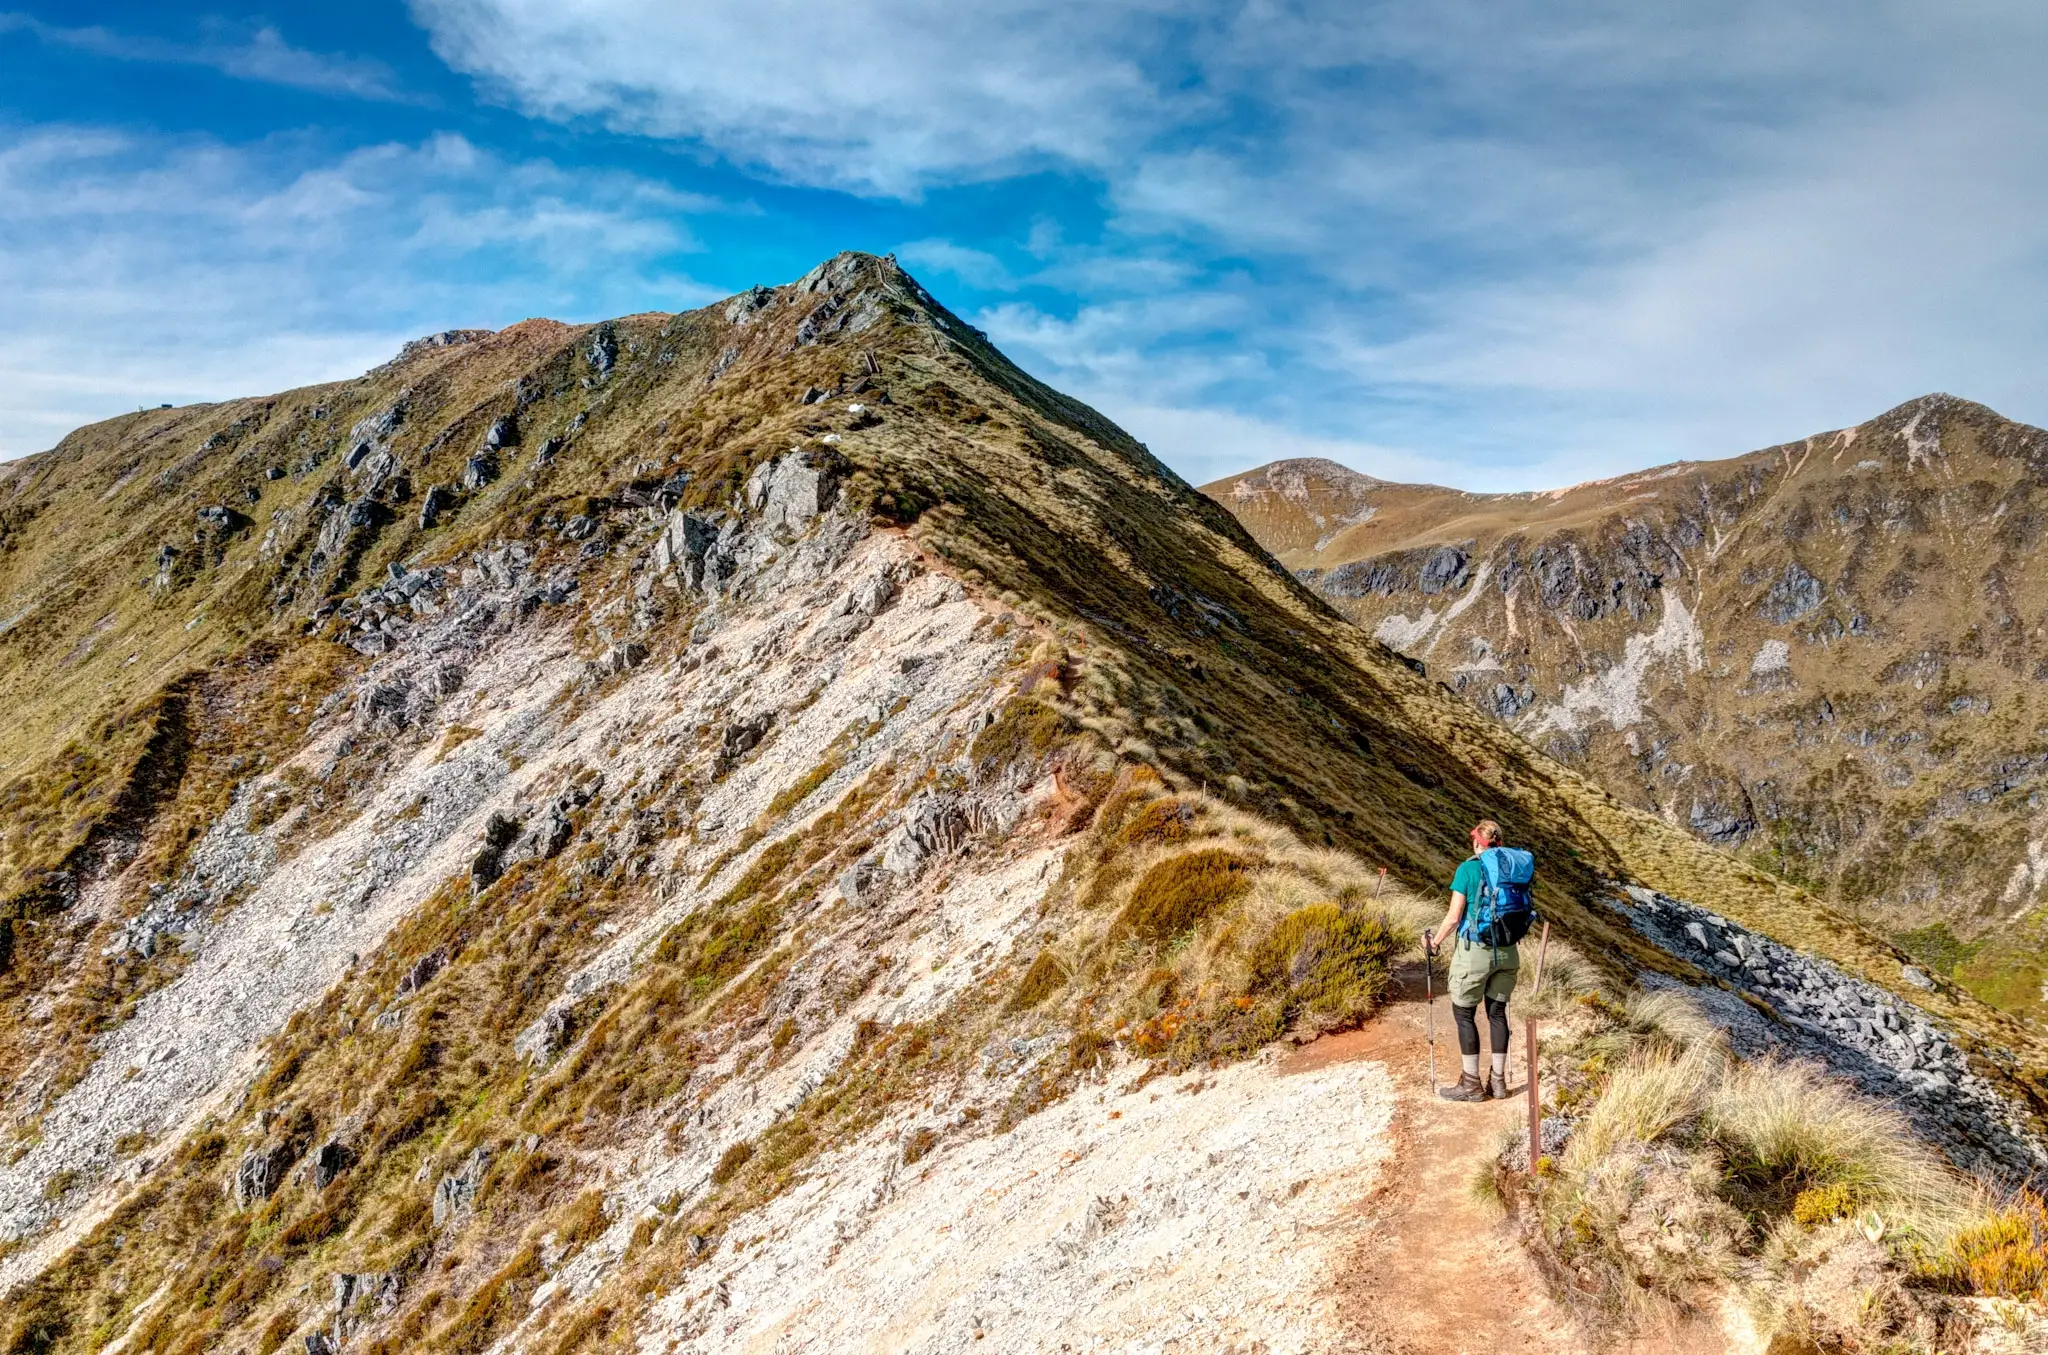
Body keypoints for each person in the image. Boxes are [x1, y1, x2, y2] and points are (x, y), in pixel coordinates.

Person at [1428, 819, 1520, 1102]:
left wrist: (1434, 942)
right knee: (1496, 1013)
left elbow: (1454, 917)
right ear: (1500, 844)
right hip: (1508, 952)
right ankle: (1499, 1082)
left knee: (1464, 1015)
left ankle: (1471, 1084)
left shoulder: (1468, 869)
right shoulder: (1513, 871)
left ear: (1477, 843)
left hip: (1475, 952)